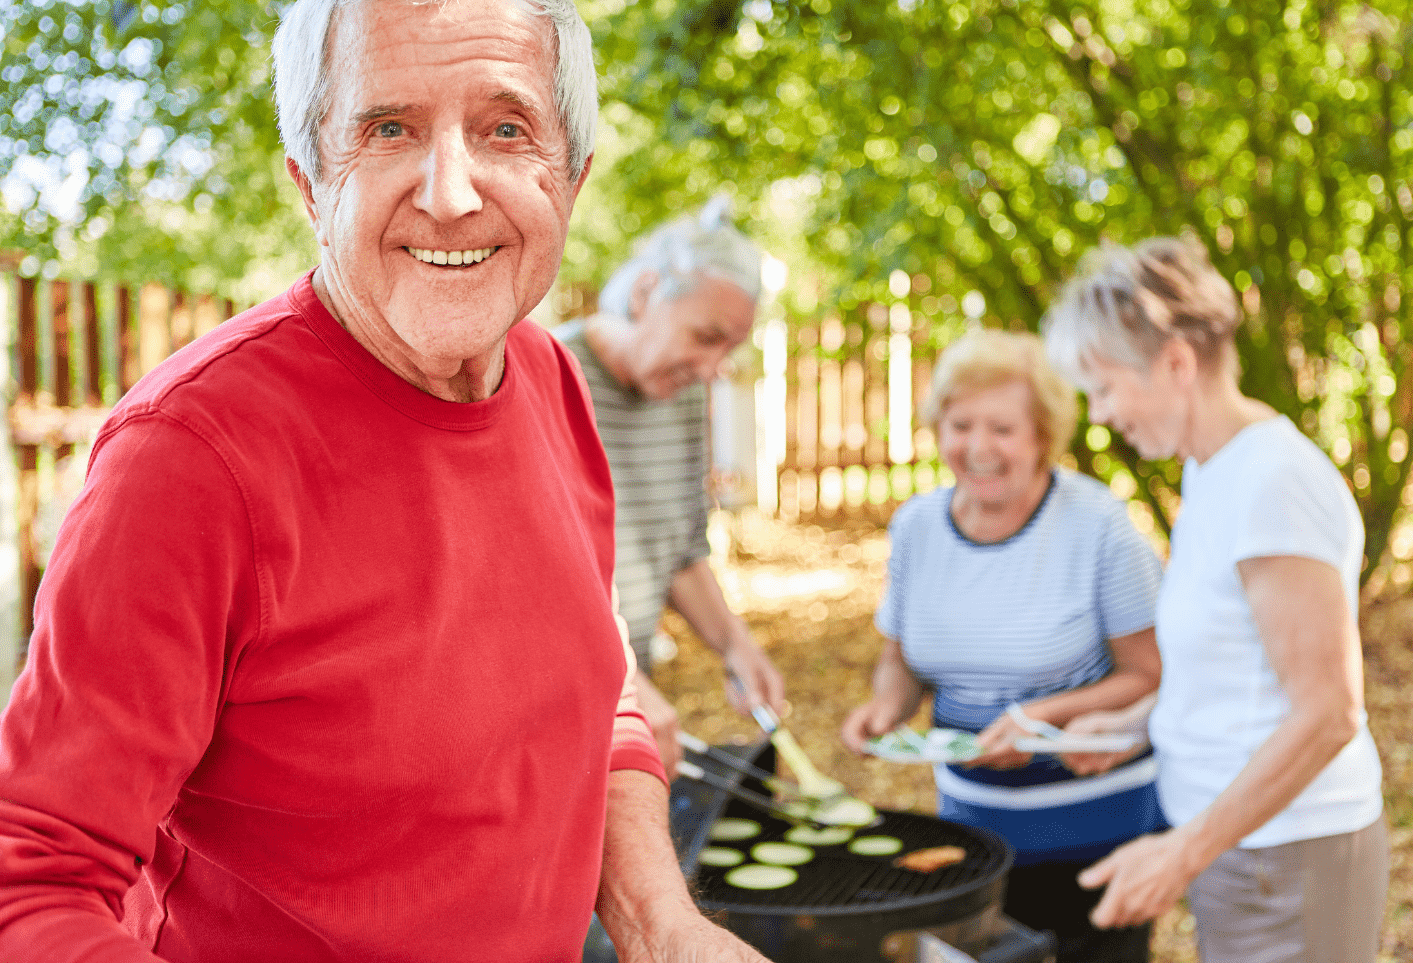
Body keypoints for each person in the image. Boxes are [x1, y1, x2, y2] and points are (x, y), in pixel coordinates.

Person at [0, 1, 772, 961]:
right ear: (310, 185)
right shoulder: (189, 455)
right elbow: (31, 881)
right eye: (387, 128)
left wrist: (662, 926)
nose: (451, 192)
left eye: (505, 127)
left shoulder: (551, 380)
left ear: (570, 178)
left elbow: (597, 695)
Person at [1041, 236, 1389, 962]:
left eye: (1103, 387)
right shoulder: (1213, 470)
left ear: (1174, 362)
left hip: (1290, 855)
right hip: (1241, 848)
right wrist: (1126, 727)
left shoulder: (1271, 481)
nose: (1100, 413)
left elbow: (1328, 710)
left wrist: (1179, 853)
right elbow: (1234, 676)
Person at [841, 329, 1165, 963]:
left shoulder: (1099, 526)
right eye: (961, 425)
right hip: (969, 836)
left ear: (1043, 435)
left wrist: (1037, 719)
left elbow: (1149, 672)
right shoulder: (916, 527)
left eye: (1002, 429)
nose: (978, 448)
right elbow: (903, 657)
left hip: (1097, 836)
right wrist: (885, 710)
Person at [555, 200, 785, 770]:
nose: (712, 370)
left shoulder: (682, 398)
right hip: (554, 703)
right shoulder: (546, 378)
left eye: (728, 350)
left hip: (631, 695)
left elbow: (679, 549)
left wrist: (736, 644)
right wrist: (618, 686)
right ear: (645, 294)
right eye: (706, 337)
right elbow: (513, 582)